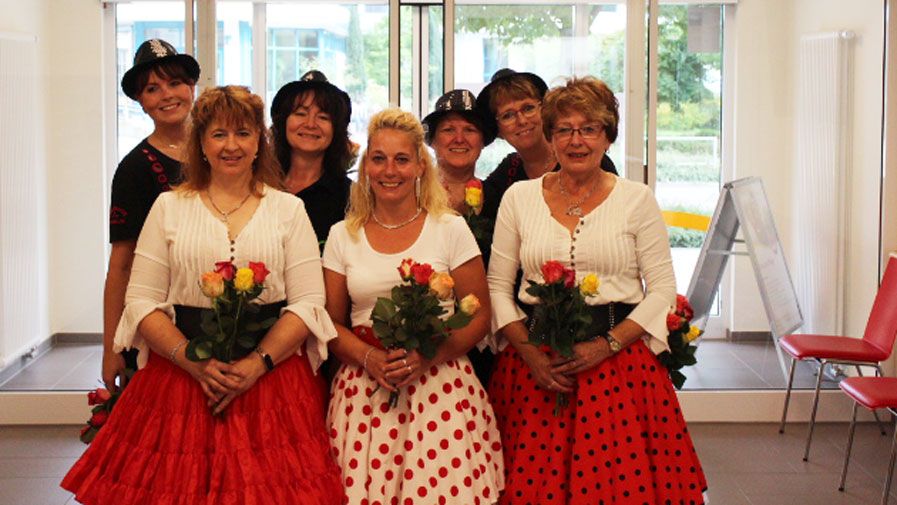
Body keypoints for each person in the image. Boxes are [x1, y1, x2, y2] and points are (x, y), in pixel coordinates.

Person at [62, 86, 344, 505]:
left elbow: (308, 303)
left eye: (244, 133)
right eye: (219, 134)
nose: (232, 145)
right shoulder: (167, 207)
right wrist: (193, 363)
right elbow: (140, 300)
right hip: (180, 376)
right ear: (201, 144)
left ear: (259, 143)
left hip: (271, 381)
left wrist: (257, 363)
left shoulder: (288, 209)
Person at [487, 76, 707, 504]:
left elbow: (662, 289)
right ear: (549, 138)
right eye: (564, 129)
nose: (576, 140)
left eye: (589, 128)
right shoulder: (518, 197)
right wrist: (531, 355)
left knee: (619, 489)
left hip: (618, 367)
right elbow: (498, 286)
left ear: (607, 136)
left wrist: (607, 345)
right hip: (535, 369)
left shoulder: (636, 199)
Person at [322, 108, 504, 504]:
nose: (390, 170)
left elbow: (478, 314)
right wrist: (369, 357)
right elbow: (330, 324)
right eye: (379, 158)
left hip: (440, 385)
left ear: (421, 166)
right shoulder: (342, 236)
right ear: (366, 166)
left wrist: (427, 356)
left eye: (402, 159)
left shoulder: (449, 227)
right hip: (364, 390)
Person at [103, 39, 199, 391]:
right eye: (152, 89)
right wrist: (111, 345)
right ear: (141, 102)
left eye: (175, 83)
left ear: (192, 87)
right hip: (159, 322)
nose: (167, 95)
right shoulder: (134, 169)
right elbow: (121, 265)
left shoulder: (221, 150)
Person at [422, 88, 497, 385]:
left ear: (482, 142)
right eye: (448, 129)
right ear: (432, 141)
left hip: (487, 335)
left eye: (470, 130)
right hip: (428, 334)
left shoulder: (499, 197)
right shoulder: (410, 197)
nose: (459, 138)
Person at [475, 68, 618, 222]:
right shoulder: (510, 169)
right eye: (508, 115)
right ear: (498, 131)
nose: (521, 121)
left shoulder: (583, 158)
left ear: (545, 111)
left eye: (528, 108)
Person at [271, 70, 354, 249]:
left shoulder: (350, 198)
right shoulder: (259, 185)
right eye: (300, 113)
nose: (310, 124)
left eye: (323, 117)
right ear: (282, 123)